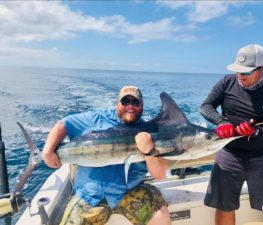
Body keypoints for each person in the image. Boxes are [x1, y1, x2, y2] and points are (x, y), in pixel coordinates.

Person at [42, 86, 171, 225]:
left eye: (135, 103)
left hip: (131, 192)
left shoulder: (148, 132)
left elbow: (159, 174)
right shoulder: (96, 119)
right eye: (125, 101)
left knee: (161, 216)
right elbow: (63, 124)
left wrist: (148, 150)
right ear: (117, 102)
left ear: (142, 106)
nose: (130, 106)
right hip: (90, 196)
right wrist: (47, 152)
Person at [200, 44, 263, 225]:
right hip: (229, 153)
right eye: (238, 71)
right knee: (224, 205)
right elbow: (206, 106)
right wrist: (222, 122)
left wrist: (256, 131)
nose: (240, 77)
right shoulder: (227, 82)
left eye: (246, 72)